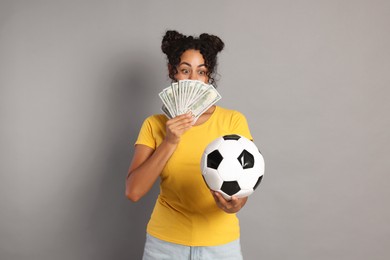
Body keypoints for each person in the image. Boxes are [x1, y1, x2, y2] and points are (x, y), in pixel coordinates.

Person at [126, 30, 253, 260]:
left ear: (208, 77)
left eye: (201, 72)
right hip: (164, 246)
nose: (194, 79)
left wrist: (234, 205)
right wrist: (170, 140)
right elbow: (133, 191)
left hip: (220, 245)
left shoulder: (233, 121)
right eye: (185, 70)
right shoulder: (154, 125)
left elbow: (245, 181)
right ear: (172, 72)